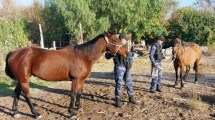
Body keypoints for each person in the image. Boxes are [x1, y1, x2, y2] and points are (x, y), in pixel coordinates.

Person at [105, 34, 138, 107]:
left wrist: (130, 64)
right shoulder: (114, 46)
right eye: (125, 40)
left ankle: (131, 97)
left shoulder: (127, 46)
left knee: (129, 83)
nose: (125, 41)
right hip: (119, 67)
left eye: (126, 40)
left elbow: (130, 58)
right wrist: (112, 53)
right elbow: (106, 56)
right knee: (119, 84)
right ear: (121, 39)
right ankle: (117, 99)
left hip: (127, 68)